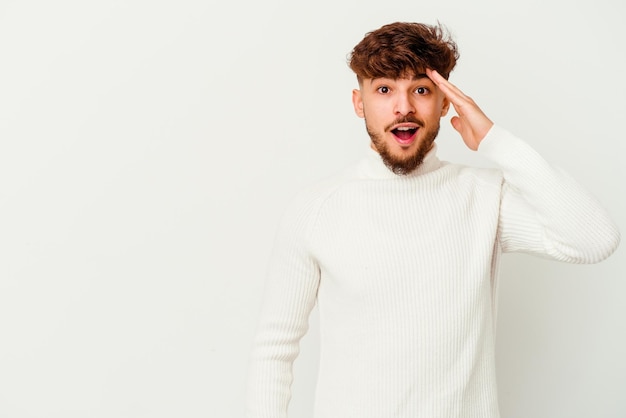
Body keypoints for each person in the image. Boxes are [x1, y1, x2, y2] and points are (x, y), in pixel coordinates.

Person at [245, 22, 620, 418]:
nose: (403, 107)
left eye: (420, 90)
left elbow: (594, 238)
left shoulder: (484, 197)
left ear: (445, 102)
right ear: (359, 103)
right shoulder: (317, 209)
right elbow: (274, 349)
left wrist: (495, 140)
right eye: (385, 89)